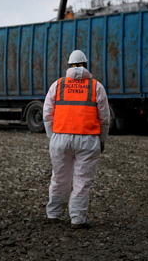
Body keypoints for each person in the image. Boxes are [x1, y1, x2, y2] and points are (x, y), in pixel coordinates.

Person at [43, 49, 110, 228]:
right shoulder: (96, 86)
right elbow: (104, 117)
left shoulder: (58, 85)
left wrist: (53, 136)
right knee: (82, 181)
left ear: (69, 66)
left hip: (60, 138)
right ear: (86, 66)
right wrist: (102, 140)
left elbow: (47, 114)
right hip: (88, 140)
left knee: (59, 178)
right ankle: (78, 219)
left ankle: (54, 214)